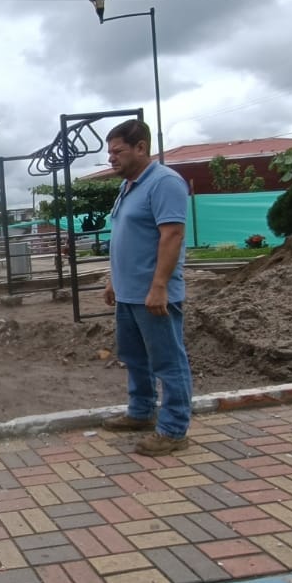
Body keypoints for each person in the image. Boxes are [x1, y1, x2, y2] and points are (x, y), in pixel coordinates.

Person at [100, 119, 192, 456]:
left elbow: (172, 235)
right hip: (128, 294)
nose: (111, 157)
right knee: (135, 358)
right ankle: (141, 412)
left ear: (141, 148)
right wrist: (114, 279)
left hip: (153, 295)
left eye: (118, 151)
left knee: (168, 362)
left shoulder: (164, 183)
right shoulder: (128, 186)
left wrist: (159, 287)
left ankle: (174, 430)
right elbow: (126, 238)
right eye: (110, 152)